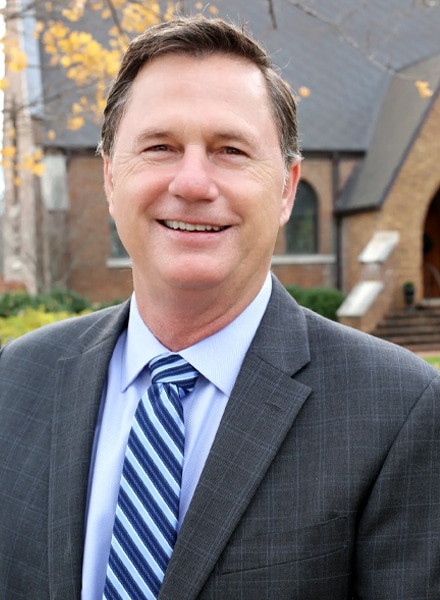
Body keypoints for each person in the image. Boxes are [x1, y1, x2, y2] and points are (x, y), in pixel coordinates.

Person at [1, 16, 440, 600]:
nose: (192, 181)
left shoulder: (400, 410)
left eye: (230, 150)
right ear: (110, 176)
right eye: (159, 147)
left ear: (287, 189)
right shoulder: (17, 379)